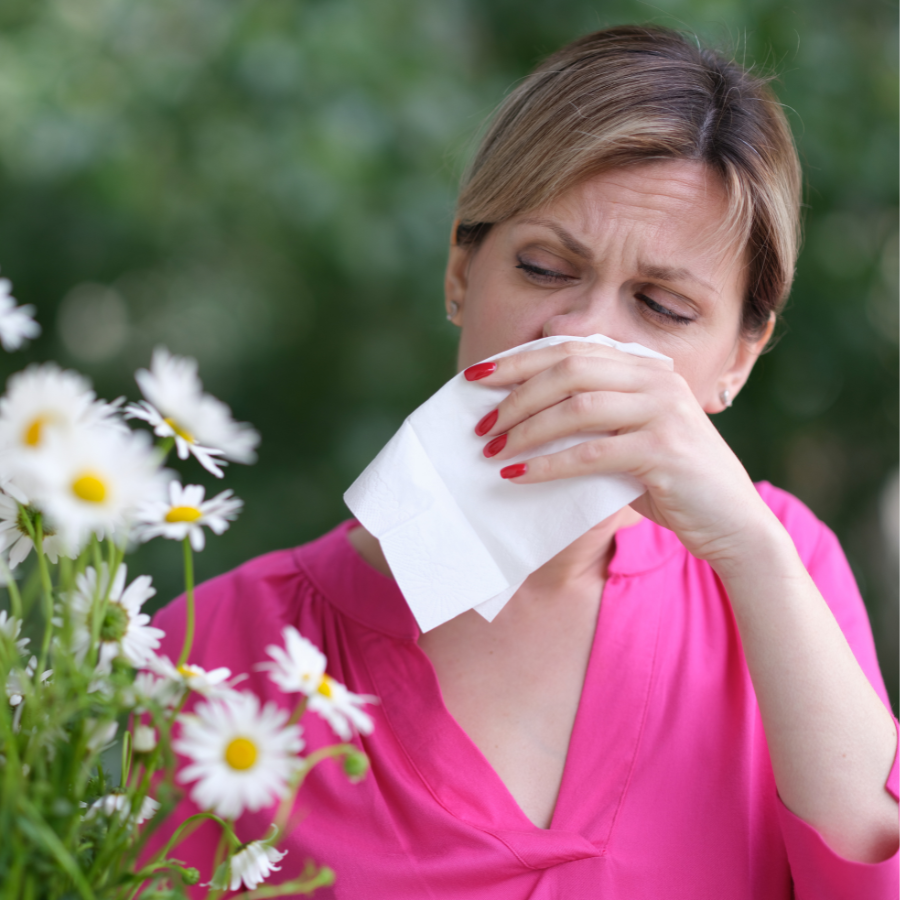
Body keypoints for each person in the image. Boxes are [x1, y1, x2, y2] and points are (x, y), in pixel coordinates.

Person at [152, 25, 899, 898]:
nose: (585, 335)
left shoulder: (781, 569)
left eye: (662, 307)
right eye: (544, 269)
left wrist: (751, 553)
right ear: (462, 270)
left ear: (739, 356)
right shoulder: (211, 650)